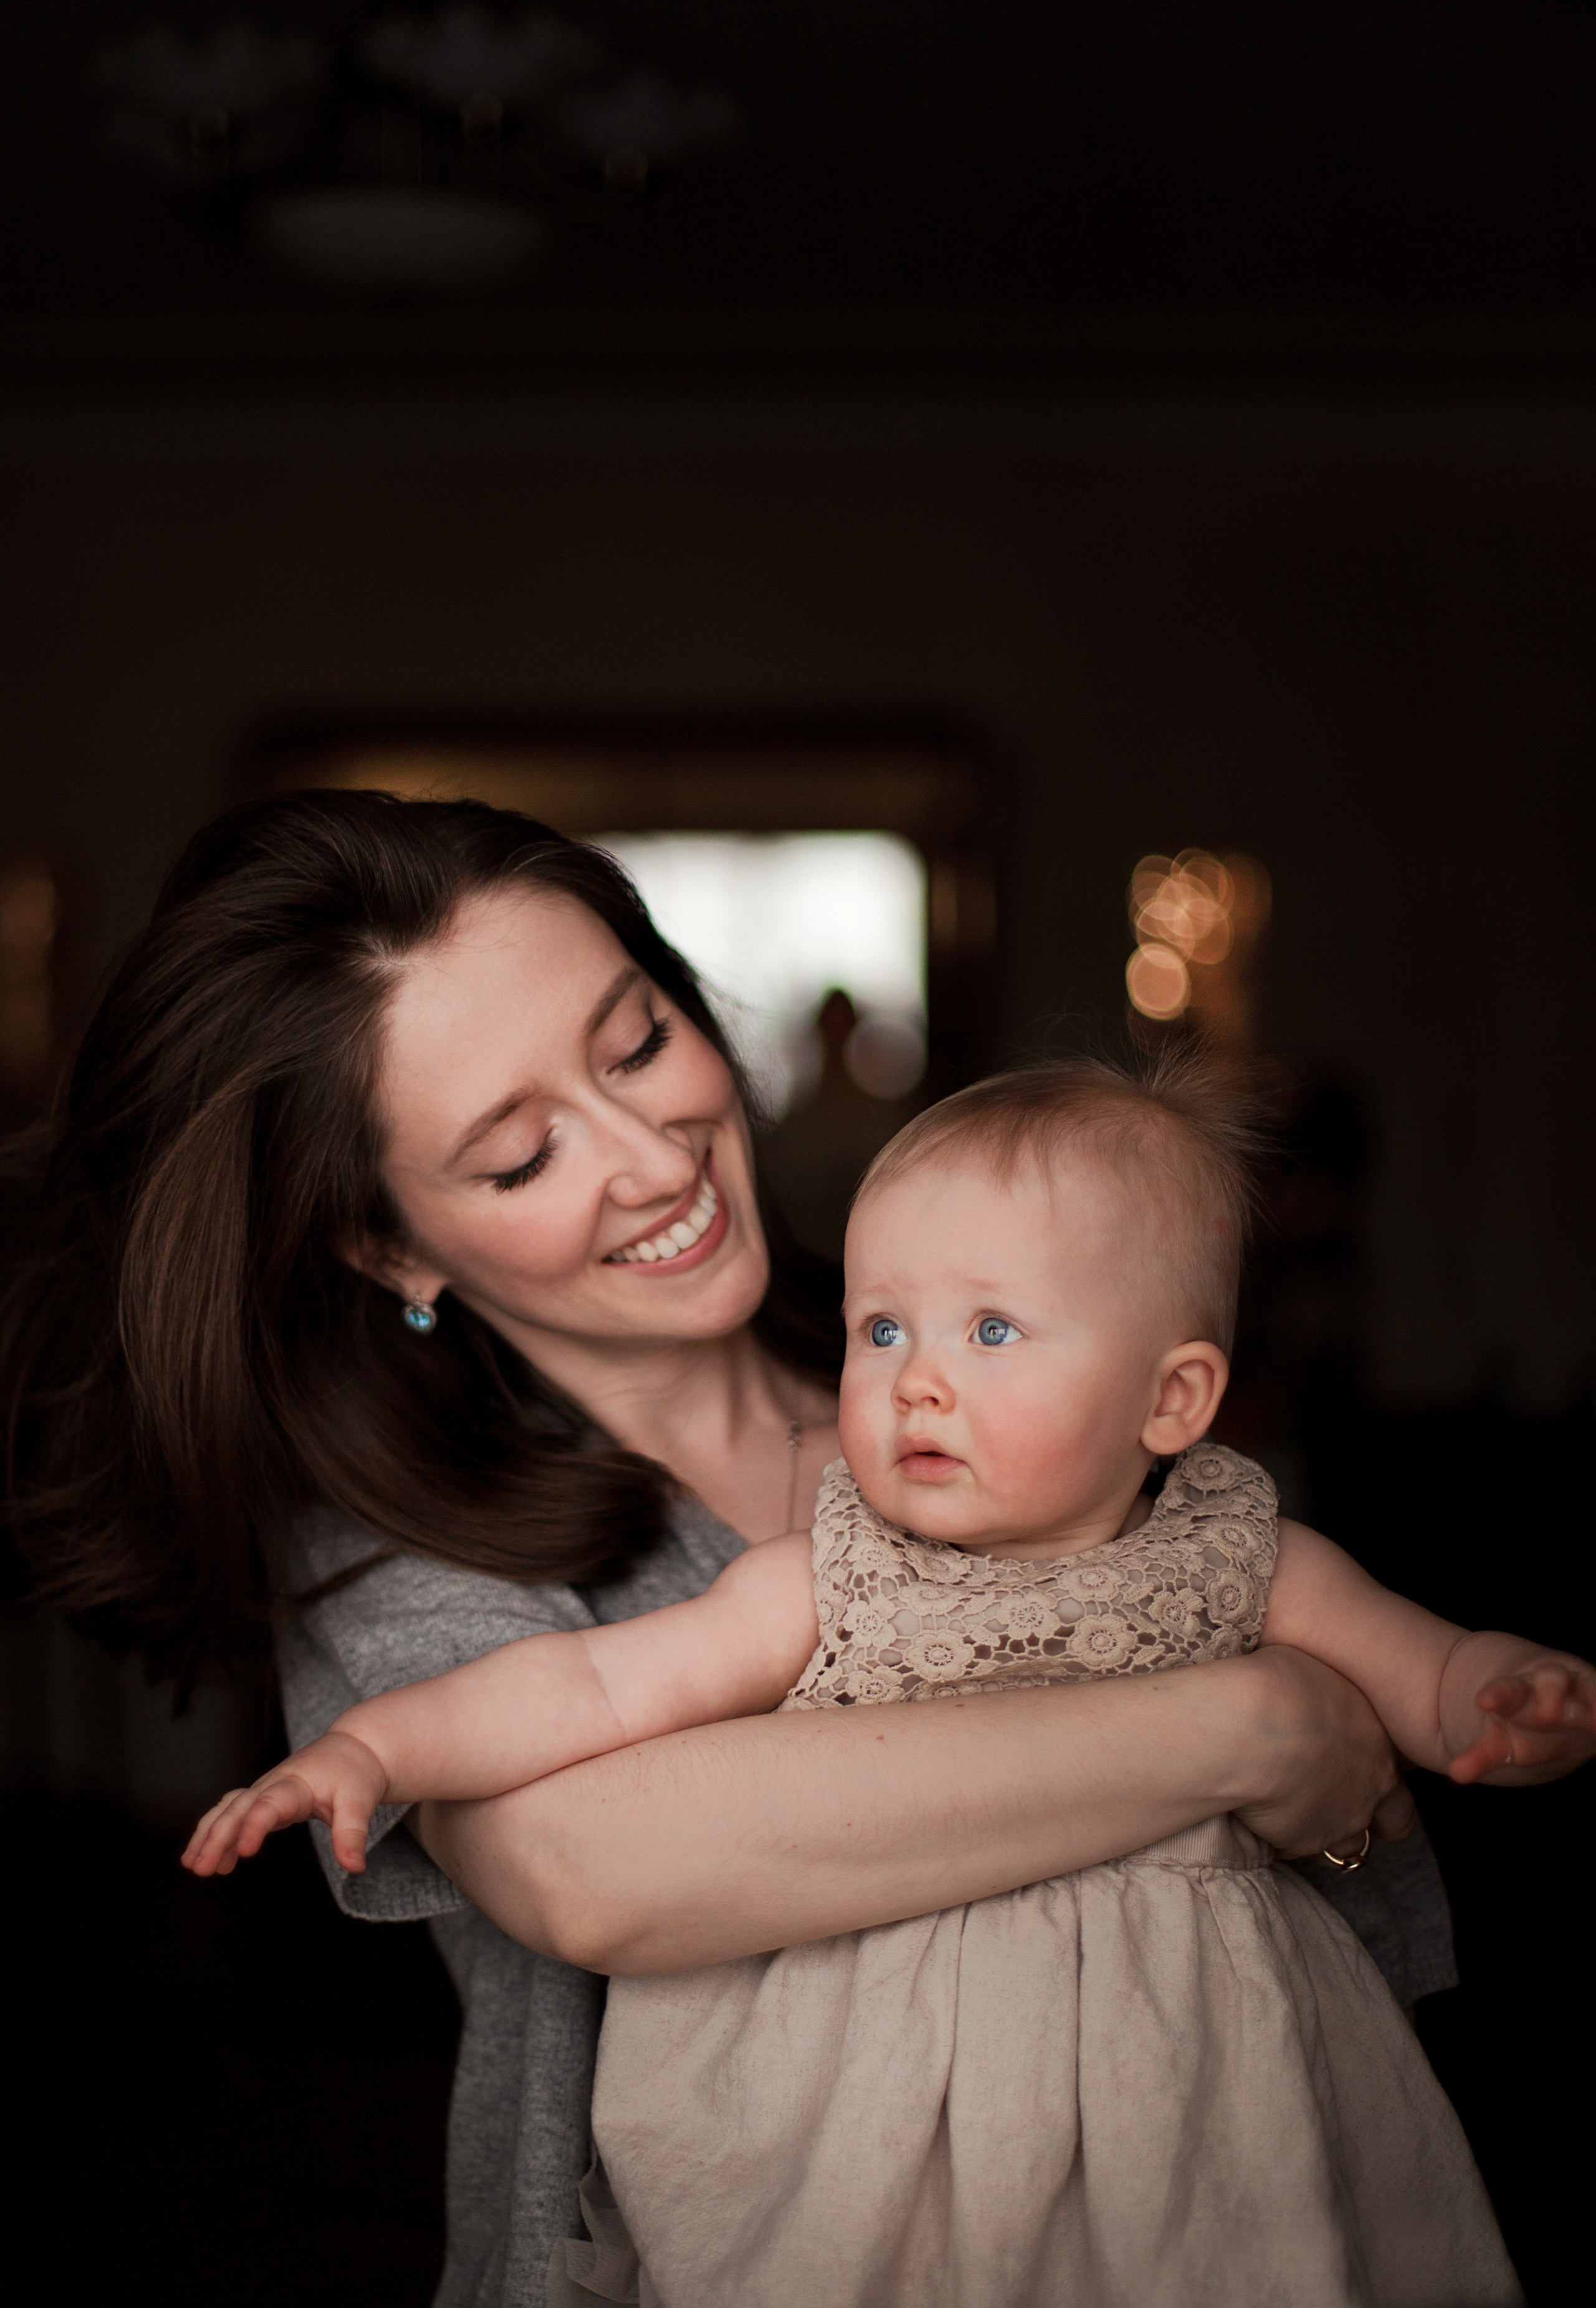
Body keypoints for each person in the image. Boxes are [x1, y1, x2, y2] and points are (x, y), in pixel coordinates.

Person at [2, 794, 1435, 2307]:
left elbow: (1351, 1848)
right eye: (520, 1156)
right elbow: (593, 1869)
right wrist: (1243, 1731)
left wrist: (1331, 1801)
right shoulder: (397, 1542)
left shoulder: (1021, 1383)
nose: (652, 1157)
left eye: (635, 1044)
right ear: (391, 1243)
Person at [185, 1054, 1588, 2307]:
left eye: (992, 1333)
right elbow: (590, 1691)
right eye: (882, 1330)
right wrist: (376, 1750)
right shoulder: (825, 1574)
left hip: (1202, 2087)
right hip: (868, 2116)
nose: (916, 1381)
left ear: (1172, 1401)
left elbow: (1428, 1678)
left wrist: (1506, 1695)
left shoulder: (1243, 1557)